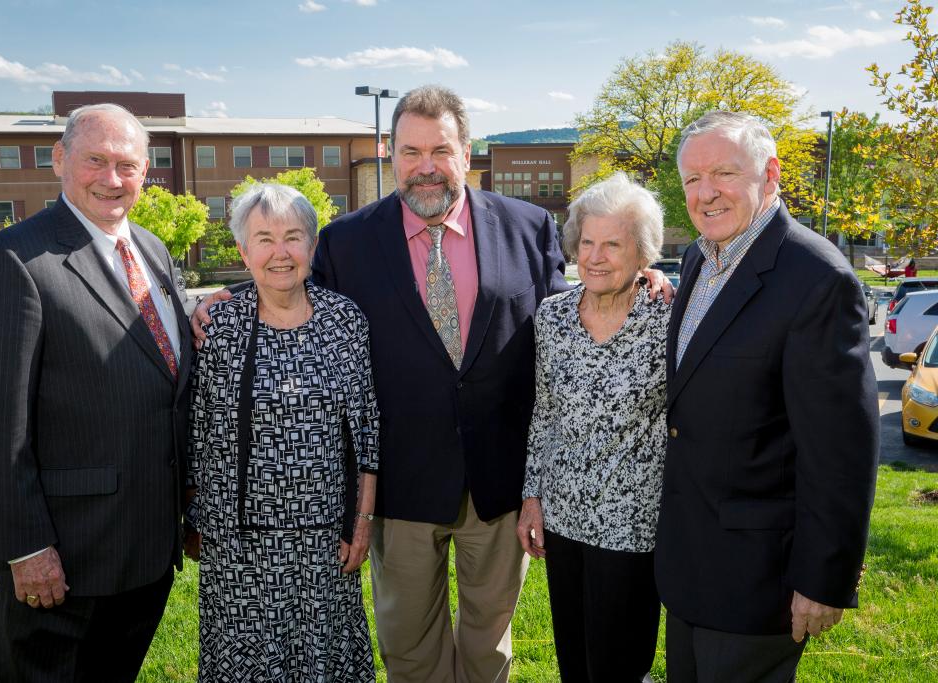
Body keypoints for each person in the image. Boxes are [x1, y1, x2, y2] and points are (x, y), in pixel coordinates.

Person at [192, 85, 670, 682]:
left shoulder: (529, 229)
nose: (425, 167)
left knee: (487, 644)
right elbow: (291, 290)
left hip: (496, 487)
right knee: (410, 648)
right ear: (391, 154)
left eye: (440, 150)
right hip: (402, 484)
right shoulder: (349, 240)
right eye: (410, 151)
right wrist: (227, 298)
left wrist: (640, 271)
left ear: (467, 152)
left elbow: (572, 311)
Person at [0, 103, 192, 681]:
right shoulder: (15, 258)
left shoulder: (154, 252)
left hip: (146, 550)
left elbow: (166, 375)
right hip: (65, 558)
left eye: (128, 166)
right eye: (96, 160)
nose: (113, 180)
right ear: (60, 159)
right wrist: (25, 547)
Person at [656, 110, 879, 682]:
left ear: (770, 173)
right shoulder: (699, 258)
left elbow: (841, 451)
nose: (705, 194)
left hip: (760, 579)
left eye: (724, 174)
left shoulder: (817, 279)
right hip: (691, 566)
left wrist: (824, 577)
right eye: (691, 180)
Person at [186, 183, 378, 681]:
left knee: (324, 662)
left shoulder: (345, 321)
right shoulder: (217, 325)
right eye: (264, 238)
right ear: (243, 251)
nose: (280, 252)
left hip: (323, 539)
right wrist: (193, 515)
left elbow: (366, 429)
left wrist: (361, 521)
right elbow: (199, 427)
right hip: (237, 544)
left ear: (313, 248)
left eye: (293, 237)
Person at [516, 172, 668, 682]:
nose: (595, 257)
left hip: (634, 522)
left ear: (643, 253)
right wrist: (532, 497)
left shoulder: (669, 315)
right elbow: (544, 410)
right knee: (574, 661)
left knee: (621, 664)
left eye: (612, 244)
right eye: (587, 243)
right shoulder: (553, 316)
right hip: (563, 517)